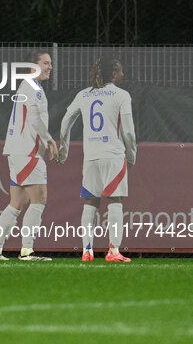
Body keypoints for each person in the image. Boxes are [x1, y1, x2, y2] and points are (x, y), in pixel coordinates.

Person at [58, 56, 137, 262]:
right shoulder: (121, 95)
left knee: (90, 202)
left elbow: (66, 120)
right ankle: (113, 251)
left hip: (91, 156)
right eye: (120, 70)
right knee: (115, 201)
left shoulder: (84, 95)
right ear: (113, 73)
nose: (123, 74)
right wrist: (132, 154)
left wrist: (64, 149)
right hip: (113, 155)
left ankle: (87, 251)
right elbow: (128, 132)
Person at [0, 50, 57, 261]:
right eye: (45, 63)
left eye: (50, 63)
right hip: (27, 152)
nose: (50, 67)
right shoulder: (33, 88)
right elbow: (35, 119)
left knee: (16, 202)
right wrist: (49, 140)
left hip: (17, 151)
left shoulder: (27, 86)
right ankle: (27, 250)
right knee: (39, 198)